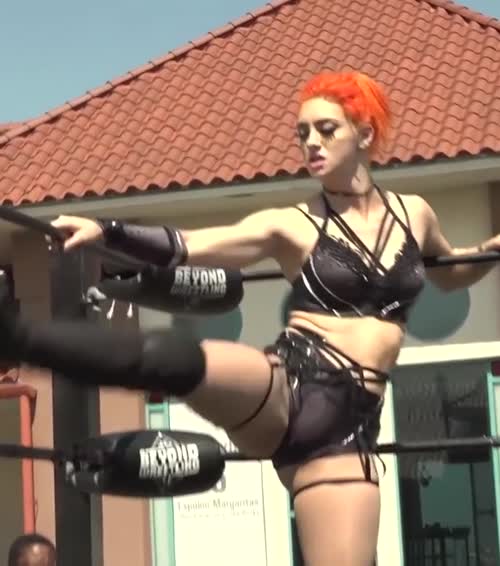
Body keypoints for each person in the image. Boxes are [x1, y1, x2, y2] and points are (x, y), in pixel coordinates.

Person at [1, 71, 499, 566]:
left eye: (326, 129)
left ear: (365, 134)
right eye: (302, 133)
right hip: (287, 383)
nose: (311, 143)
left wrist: (491, 249)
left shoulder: (415, 214)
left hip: (347, 429)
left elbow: (451, 272)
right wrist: (107, 230)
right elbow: (194, 246)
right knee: (176, 360)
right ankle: (16, 337)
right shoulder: (292, 224)